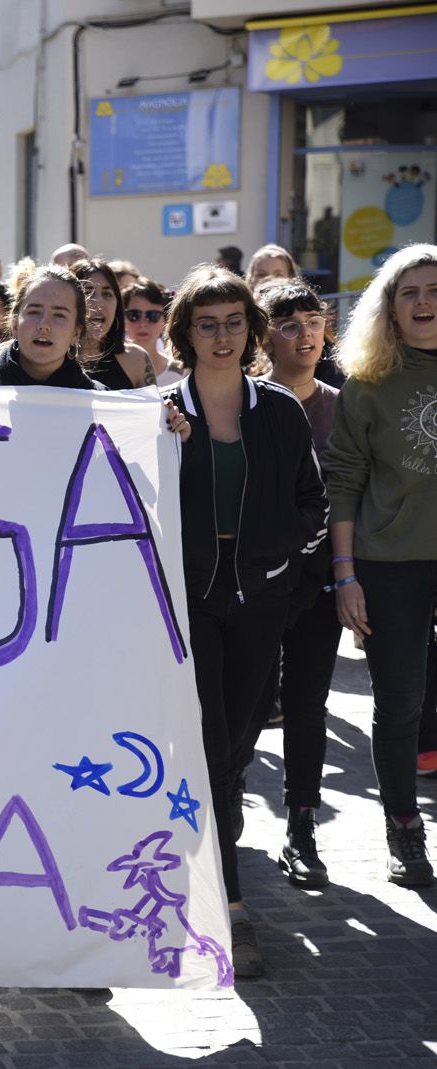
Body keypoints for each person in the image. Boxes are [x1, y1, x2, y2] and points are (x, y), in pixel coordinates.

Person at [160, 265, 327, 978]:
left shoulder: (280, 410)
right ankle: (228, 906)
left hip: (260, 599)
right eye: (207, 324)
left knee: (237, 743)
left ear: (251, 330)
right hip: (189, 603)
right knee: (209, 746)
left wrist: (274, 555)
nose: (222, 336)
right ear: (185, 334)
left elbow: (314, 502)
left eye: (234, 322)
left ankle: (209, 861)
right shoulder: (159, 411)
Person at [323, 243, 437, 889]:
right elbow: (343, 481)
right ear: (390, 307)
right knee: (400, 702)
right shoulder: (366, 382)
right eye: (409, 291)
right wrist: (345, 575)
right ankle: (403, 827)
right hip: (390, 561)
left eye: (434, 290)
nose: (423, 302)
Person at [231, 279, 339, 890]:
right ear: (264, 335)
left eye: (313, 322)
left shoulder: (342, 405)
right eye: (289, 325)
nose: (305, 336)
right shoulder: (246, 401)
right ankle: (229, 807)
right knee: (245, 702)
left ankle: (302, 826)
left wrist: (348, 574)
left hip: (319, 584)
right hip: (252, 582)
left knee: (306, 704)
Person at [0, 266, 108, 390]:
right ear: (15, 324)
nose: (44, 325)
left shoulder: (99, 401)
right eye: (34, 312)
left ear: (76, 332)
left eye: (59, 315)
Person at [74, 259, 155, 389]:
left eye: (107, 294)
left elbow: (153, 402)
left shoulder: (135, 359)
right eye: (88, 293)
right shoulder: (51, 360)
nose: (99, 303)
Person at [122, 279, 181, 385]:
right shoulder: (111, 367)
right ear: (123, 318)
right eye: (134, 315)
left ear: (165, 320)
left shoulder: (180, 373)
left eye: (152, 315)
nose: (142, 324)